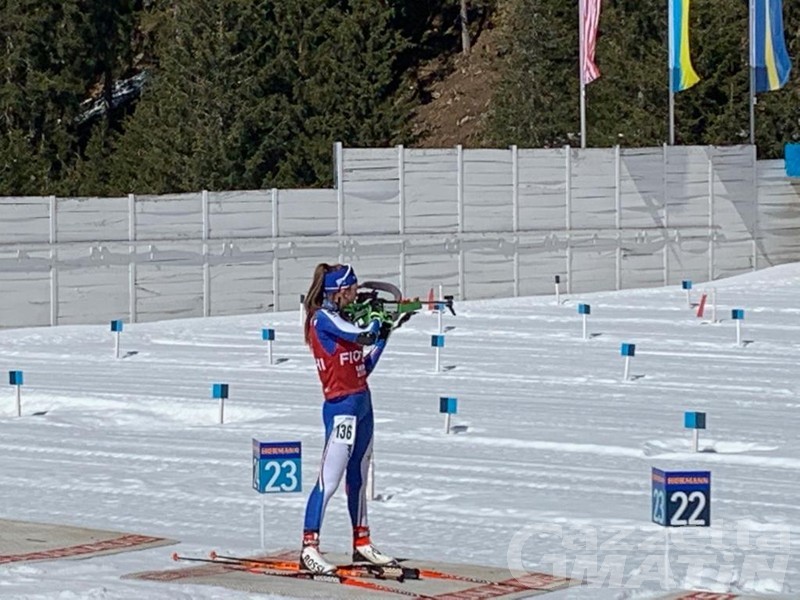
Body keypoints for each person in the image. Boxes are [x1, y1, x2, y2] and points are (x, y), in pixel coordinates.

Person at [299, 263, 399, 574]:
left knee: (359, 476)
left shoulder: (342, 319)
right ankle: (309, 547)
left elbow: (362, 366)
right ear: (340, 291)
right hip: (341, 407)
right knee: (329, 480)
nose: (356, 295)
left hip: (362, 403)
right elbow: (360, 335)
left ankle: (361, 542)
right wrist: (376, 325)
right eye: (353, 290)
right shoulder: (323, 320)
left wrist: (384, 335)